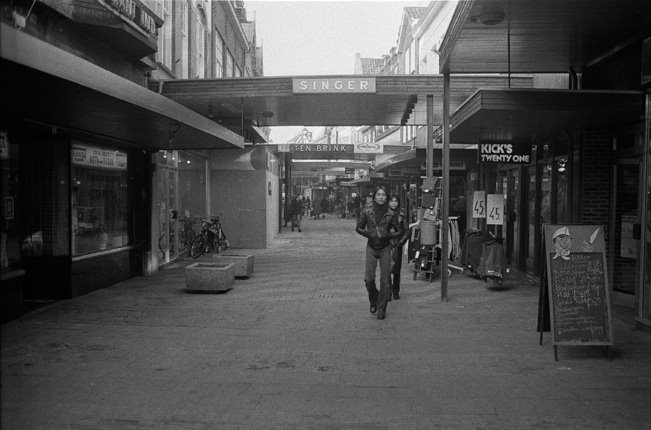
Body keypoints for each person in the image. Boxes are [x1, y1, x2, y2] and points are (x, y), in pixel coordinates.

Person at [356, 186, 400, 320]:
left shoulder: (391, 214)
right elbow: (358, 227)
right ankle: (373, 298)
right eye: (378, 194)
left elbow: (399, 231)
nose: (381, 197)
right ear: (374, 197)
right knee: (369, 279)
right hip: (371, 248)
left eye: (383, 195)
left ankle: (381, 308)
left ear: (386, 197)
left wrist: (388, 235)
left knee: (385, 280)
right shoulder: (368, 212)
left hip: (385, 249)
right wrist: (368, 233)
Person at [387, 195, 420, 300]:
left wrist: (400, 243)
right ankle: (387, 291)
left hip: (397, 245)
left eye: (395, 201)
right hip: (386, 245)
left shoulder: (401, 215)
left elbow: (406, 231)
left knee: (396, 271)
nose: (393, 203)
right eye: (391, 201)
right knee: (386, 270)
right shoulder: (384, 214)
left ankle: (395, 291)